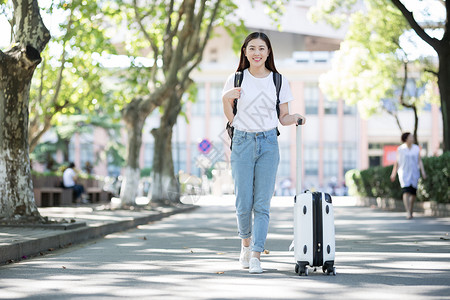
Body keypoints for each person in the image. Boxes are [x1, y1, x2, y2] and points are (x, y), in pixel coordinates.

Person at [222, 32, 305, 274]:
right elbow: (232, 118)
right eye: (252, 48)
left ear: (268, 52)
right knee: (242, 203)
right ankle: (245, 244)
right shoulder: (236, 79)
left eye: (261, 48)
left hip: (269, 142)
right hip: (242, 142)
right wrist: (225, 99)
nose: (257, 52)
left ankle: (257, 255)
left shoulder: (279, 80)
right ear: (245, 52)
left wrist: (296, 118)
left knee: (262, 204)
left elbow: (283, 117)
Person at [390, 132, 427, 219]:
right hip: (404, 172)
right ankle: (408, 211)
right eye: (410, 137)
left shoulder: (416, 148)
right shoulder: (400, 149)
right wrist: (393, 173)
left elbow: (419, 161)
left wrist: (423, 171)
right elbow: (397, 162)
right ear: (405, 139)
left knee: (413, 193)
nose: (412, 138)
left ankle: (410, 209)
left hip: (414, 172)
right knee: (406, 191)